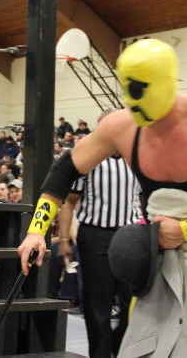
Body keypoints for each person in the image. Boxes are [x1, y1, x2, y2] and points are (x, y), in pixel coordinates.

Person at [18, 38, 187, 358]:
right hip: (157, 248)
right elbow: (64, 170)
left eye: (137, 89)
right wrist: (37, 229)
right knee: (144, 348)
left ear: (165, 83)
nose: (129, 101)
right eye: (125, 88)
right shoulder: (121, 126)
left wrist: (185, 229)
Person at [57, 111, 142, 358]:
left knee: (133, 303)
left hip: (131, 236)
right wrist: (63, 239)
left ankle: (118, 347)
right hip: (95, 236)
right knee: (97, 305)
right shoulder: (89, 160)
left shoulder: (136, 159)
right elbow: (69, 201)